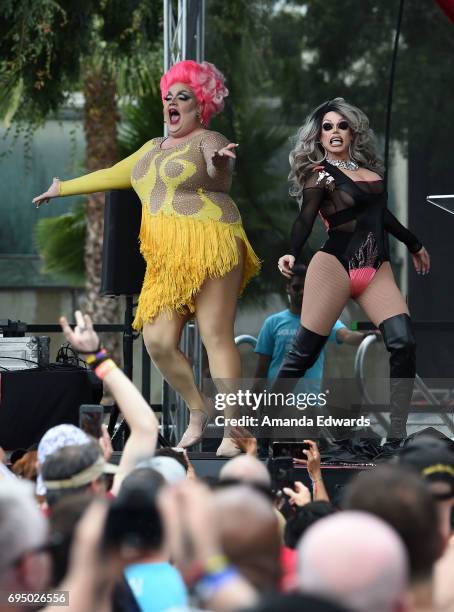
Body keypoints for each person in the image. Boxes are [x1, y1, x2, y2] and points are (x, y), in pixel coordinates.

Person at [33, 60, 260, 458]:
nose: (172, 103)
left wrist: (222, 163)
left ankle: (236, 427)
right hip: (167, 261)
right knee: (156, 340)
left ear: (200, 105)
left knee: (215, 332)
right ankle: (197, 409)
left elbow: (219, 170)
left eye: (183, 97)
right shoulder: (150, 150)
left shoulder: (209, 138)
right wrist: (62, 187)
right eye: (168, 97)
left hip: (212, 241)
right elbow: (110, 174)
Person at [276, 98, 430, 443]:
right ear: (318, 136)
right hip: (334, 266)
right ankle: (260, 430)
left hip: (376, 269)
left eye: (341, 125)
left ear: (352, 132)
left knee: (403, 342)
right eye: (327, 126)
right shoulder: (321, 176)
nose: (334, 131)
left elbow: (382, 217)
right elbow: (304, 219)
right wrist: (291, 252)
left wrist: (414, 243)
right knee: (302, 354)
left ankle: (396, 436)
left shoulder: (371, 174)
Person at [254, 262, 369, 390]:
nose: (302, 292)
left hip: (310, 404)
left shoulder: (321, 320)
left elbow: (346, 335)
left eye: (306, 287)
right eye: (297, 287)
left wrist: (367, 337)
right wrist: (253, 403)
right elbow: (261, 369)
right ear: (288, 288)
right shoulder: (272, 323)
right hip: (279, 403)